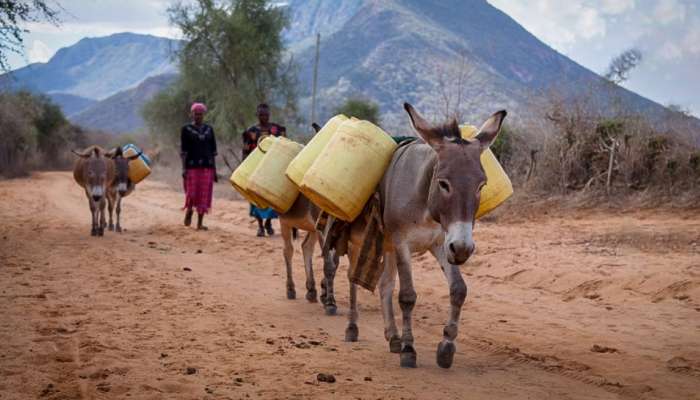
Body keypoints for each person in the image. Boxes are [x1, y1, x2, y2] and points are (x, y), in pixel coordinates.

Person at [242, 103, 286, 237]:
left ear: (269, 115)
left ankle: (268, 222)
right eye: (261, 115)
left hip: (272, 170)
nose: (264, 117)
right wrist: (244, 168)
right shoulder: (250, 132)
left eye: (266, 115)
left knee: (270, 198)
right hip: (255, 170)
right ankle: (260, 226)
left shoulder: (277, 130)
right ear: (257, 115)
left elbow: (285, 147)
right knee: (256, 198)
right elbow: (245, 152)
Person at [181, 102, 218, 230]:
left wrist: (215, 170)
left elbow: (213, 151)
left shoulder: (209, 129)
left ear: (204, 115)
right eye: (196, 114)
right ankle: (190, 210)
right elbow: (183, 151)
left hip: (207, 166)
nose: (198, 116)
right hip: (191, 166)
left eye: (200, 114)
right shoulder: (186, 129)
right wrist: (184, 169)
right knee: (191, 193)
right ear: (192, 115)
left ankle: (200, 223)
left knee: (204, 194)